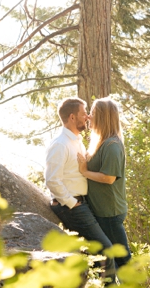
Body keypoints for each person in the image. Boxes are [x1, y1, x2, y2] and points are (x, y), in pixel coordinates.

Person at [44, 96, 113, 265]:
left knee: (94, 255)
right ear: (72, 117)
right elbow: (52, 180)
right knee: (106, 251)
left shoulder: (76, 142)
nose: (87, 117)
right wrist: (72, 203)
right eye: (83, 113)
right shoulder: (60, 144)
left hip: (80, 204)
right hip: (71, 207)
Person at [77, 97, 131, 270]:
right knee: (109, 255)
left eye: (92, 114)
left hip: (110, 212)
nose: (88, 117)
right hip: (103, 209)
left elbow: (109, 178)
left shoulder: (112, 145)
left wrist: (84, 171)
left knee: (122, 257)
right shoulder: (102, 142)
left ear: (102, 117)